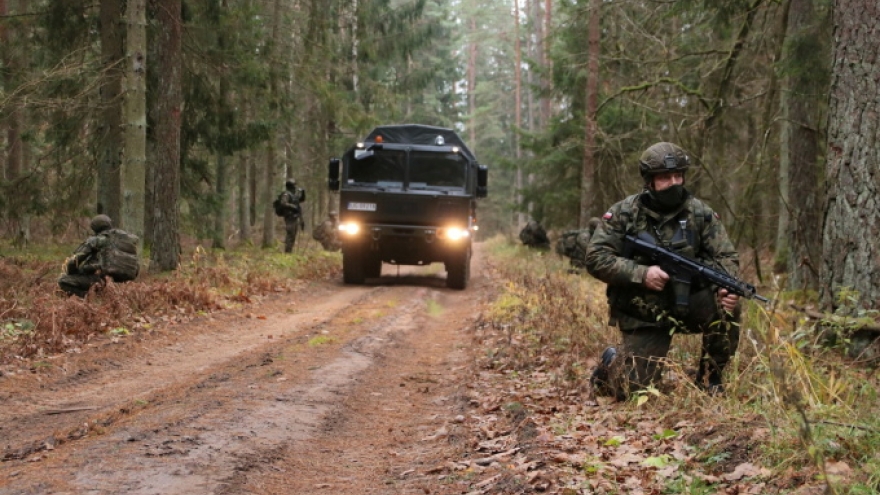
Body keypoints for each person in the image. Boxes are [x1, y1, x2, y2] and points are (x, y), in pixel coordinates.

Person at [584, 142, 741, 399]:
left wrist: (727, 285)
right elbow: (595, 258)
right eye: (665, 177)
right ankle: (610, 363)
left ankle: (710, 379)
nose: (674, 183)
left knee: (727, 304)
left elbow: (727, 257)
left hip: (688, 302)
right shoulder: (624, 213)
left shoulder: (700, 213)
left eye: (678, 175)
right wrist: (641, 274)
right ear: (649, 180)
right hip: (644, 310)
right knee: (634, 392)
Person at [58, 215, 139, 297]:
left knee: (63, 281)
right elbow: (136, 266)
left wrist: (73, 273)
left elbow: (74, 261)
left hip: (102, 281)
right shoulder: (127, 240)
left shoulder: (96, 240)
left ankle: (88, 299)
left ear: (94, 228)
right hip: (126, 284)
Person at [277, 178, 306, 253]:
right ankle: (287, 252)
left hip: (294, 217)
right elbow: (283, 203)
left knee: (293, 235)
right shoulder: (286, 194)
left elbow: (301, 200)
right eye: (294, 185)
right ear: (291, 186)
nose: (295, 187)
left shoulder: (293, 195)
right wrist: (293, 206)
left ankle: (289, 251)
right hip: (289, 218)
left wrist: (303, 193)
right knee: (290, 234)